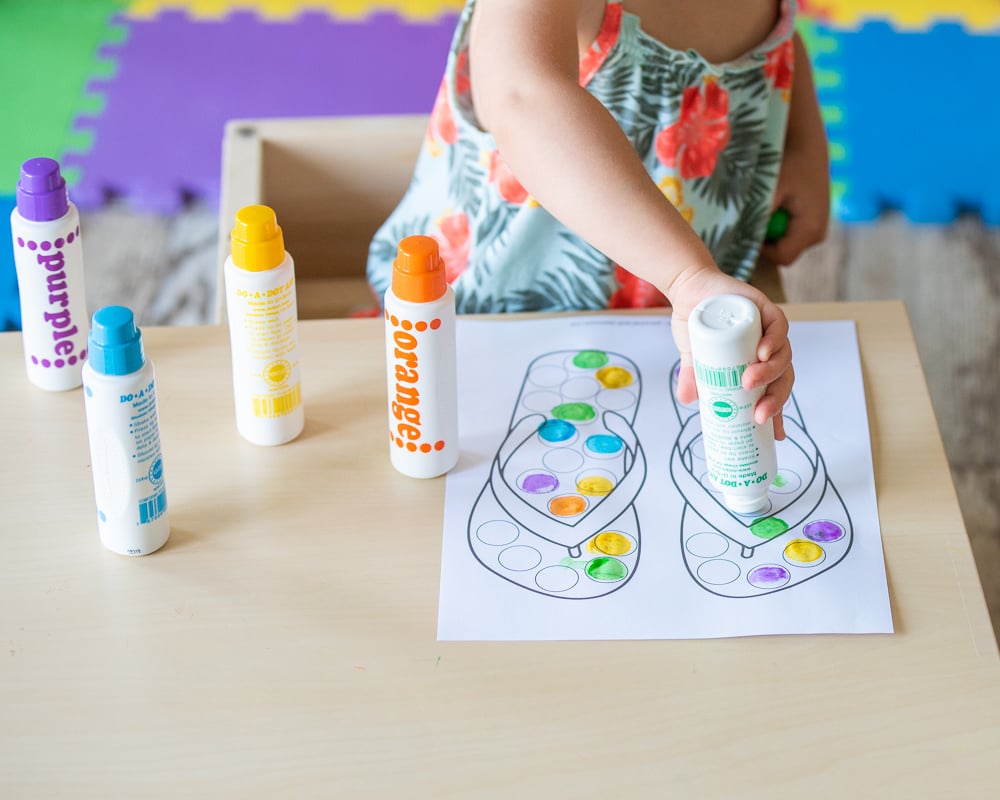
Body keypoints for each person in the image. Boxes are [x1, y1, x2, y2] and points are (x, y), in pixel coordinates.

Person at [367, 0, 830, 438]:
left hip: (672, 327)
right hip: (479, 326)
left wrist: (805, 144)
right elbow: (522, 95)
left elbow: (781, 27)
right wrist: (687, 275)